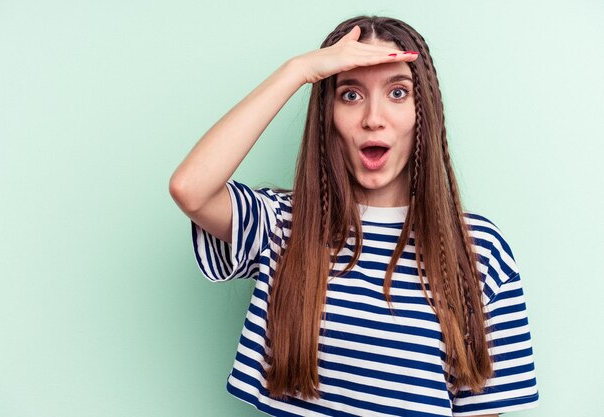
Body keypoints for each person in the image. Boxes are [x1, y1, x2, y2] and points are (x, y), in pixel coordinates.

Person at [169, 15, 540, 417]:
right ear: (327, 114)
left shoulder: (478, 250)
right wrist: (299, 70)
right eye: (351, 95)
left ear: (423, 112)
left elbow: (484, 409)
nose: (372, 118)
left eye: (398, 92)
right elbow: (191, 188)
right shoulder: (284, 225)